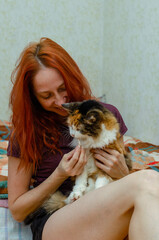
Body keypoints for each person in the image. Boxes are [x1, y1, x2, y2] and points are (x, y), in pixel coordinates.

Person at [8, 37, 159, 240]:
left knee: (146, 188)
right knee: (147, 180)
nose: (60, 101)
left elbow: (123, 189)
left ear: (72, 78)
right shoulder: (26, 132)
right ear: (33, 97)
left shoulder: (107, 115)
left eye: (62, 89)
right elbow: (17, 210)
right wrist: (59, 175)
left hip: (104, 207)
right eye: (47, 96)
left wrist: (122, 173)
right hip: (58, 219)